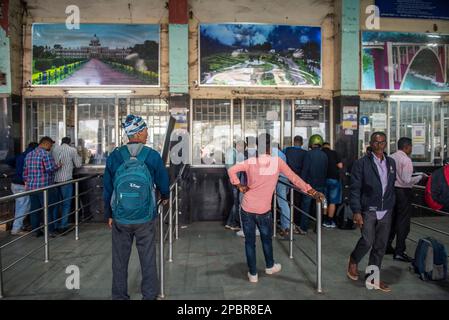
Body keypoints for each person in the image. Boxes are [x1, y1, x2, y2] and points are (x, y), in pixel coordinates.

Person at [228, 133, 324, 283]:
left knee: (249, 242)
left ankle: (253, 274)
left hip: (247, 207)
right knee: (266, 239)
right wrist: (311, 191)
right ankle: (269, 266)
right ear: (269, 146)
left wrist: (239, 185)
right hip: (264, 210)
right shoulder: (277, 162)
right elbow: (294, 178)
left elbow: (231, 170)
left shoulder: (250, 161)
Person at [103, 114, 169, 300]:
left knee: (119, 260)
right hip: (146, 217)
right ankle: (149, 295)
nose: (147, 133)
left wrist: (109, 213)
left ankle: (119, 296)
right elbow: (163, 183)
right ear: (138, 133)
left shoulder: (115, 156)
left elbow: (108, 189)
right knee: (148, 258)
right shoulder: (152, 155)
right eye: (145, 130)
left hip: (120, 217)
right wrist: (164, 196)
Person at [347, 132, 396, 292]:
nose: (379, 145)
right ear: (370, 143)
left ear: (386, 144)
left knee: (380, 246)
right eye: (376, 142)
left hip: (385, 210)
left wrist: (390, 203)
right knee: (368, 241)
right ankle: (354, 260)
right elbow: (354, 189)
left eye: (382, 142)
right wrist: (356, 211)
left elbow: (390, 185)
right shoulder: (361, 164)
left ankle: (372, 278)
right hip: (368, 209)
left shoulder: (391, 163)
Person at [386, 137, 427, 262]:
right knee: (403, 223)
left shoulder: (391, 157)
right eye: (411, 147)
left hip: (392, 191)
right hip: (403, 192)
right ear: (407, 147)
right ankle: (399, 251)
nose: (411, 149)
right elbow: (406, 180)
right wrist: (420, 177)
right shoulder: (406, 160)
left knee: (392, 220)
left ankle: (387, 246)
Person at [23, 137, 60, 237]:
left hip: (31, 187)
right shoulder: (45, 154)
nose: (51, 147)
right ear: (46, 144)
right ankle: (50, 231)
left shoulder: (29, 155)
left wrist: (27, 182)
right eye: (51, 145)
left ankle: (36, 231)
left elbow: (25, 172)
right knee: (48, 209)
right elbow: (50, 169)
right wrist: (58, 166)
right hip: (44, 187)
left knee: (34, 210)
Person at [52, 137, 83, 234]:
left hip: (54, 181)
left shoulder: (54, 149)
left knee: (56, 204)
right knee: (66, 204)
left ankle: (55, 226)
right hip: (66, 180)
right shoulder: (72, 150)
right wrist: (80, 155)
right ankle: (63, 225)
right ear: (70, 143)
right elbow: (78, 165)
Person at [6, 142, 38, 235]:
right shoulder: (32, 156)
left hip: (14, 183)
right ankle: (16, 229)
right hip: (23, 184)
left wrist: (16, 166)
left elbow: (7, 161)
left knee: (20, 206)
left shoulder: (20, 155)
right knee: (24, 207)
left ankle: (19, 226)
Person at [299, 134, 328, 234]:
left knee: (306, 206)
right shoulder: (324, 155)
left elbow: (305, 170)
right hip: (321, 184)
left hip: (309, 185)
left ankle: (304, 227)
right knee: (318, 206)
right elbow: (325, 170)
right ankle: (318, 227)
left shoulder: (308, 154)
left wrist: (301, 184)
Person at [283, 135, 308, 225]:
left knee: (286, 199)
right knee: (297, 201)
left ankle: (287, 219)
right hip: (299, 179)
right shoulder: (305, 153)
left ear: (293, 142)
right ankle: (296, 221)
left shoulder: (287, 150)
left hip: (287, 179)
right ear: (301, 143)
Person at [224, 140, 246, 231]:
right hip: (235, 181)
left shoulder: (231, 152)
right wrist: (238, 184)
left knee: (235, 202)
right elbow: (233, 169)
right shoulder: (235, 154)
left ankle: (230, 222)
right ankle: (234, 223)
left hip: (231, 180)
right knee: (237, 202)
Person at [321, 142, 343, 228]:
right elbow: (340, 166)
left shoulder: (321, 153)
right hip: (333, 179)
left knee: (324, 200)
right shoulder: (334, 153)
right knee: (333, 201)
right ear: (329, 146)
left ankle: (323, 220)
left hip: (322, 179)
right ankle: (329, 221)